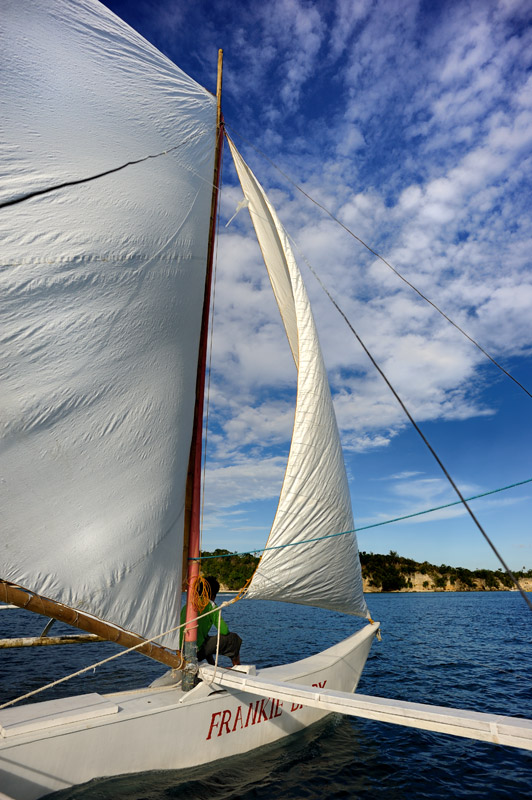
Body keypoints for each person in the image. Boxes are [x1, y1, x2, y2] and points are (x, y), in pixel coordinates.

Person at [180, 576, 242, 667]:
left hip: (183, 651)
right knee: (234, 638)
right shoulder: (210, 605)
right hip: (194, 652)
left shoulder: (187, 605)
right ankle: (238, 666)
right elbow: (224, 630)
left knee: (206, 638)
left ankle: (213, 665)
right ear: (213, 595)